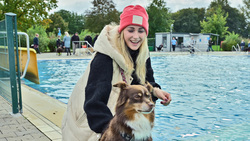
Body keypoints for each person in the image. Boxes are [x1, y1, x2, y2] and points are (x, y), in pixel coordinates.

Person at [61, 5, 172, 141]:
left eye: (141, 31)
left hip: (118, 120)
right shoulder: (105, 57)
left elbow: (146, 82)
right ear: (122, 30)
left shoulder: (143, 54)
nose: (136, 37)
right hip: (89, 123)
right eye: (131, 30)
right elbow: (94, 103)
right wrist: (113, 132)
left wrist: (155, 92)